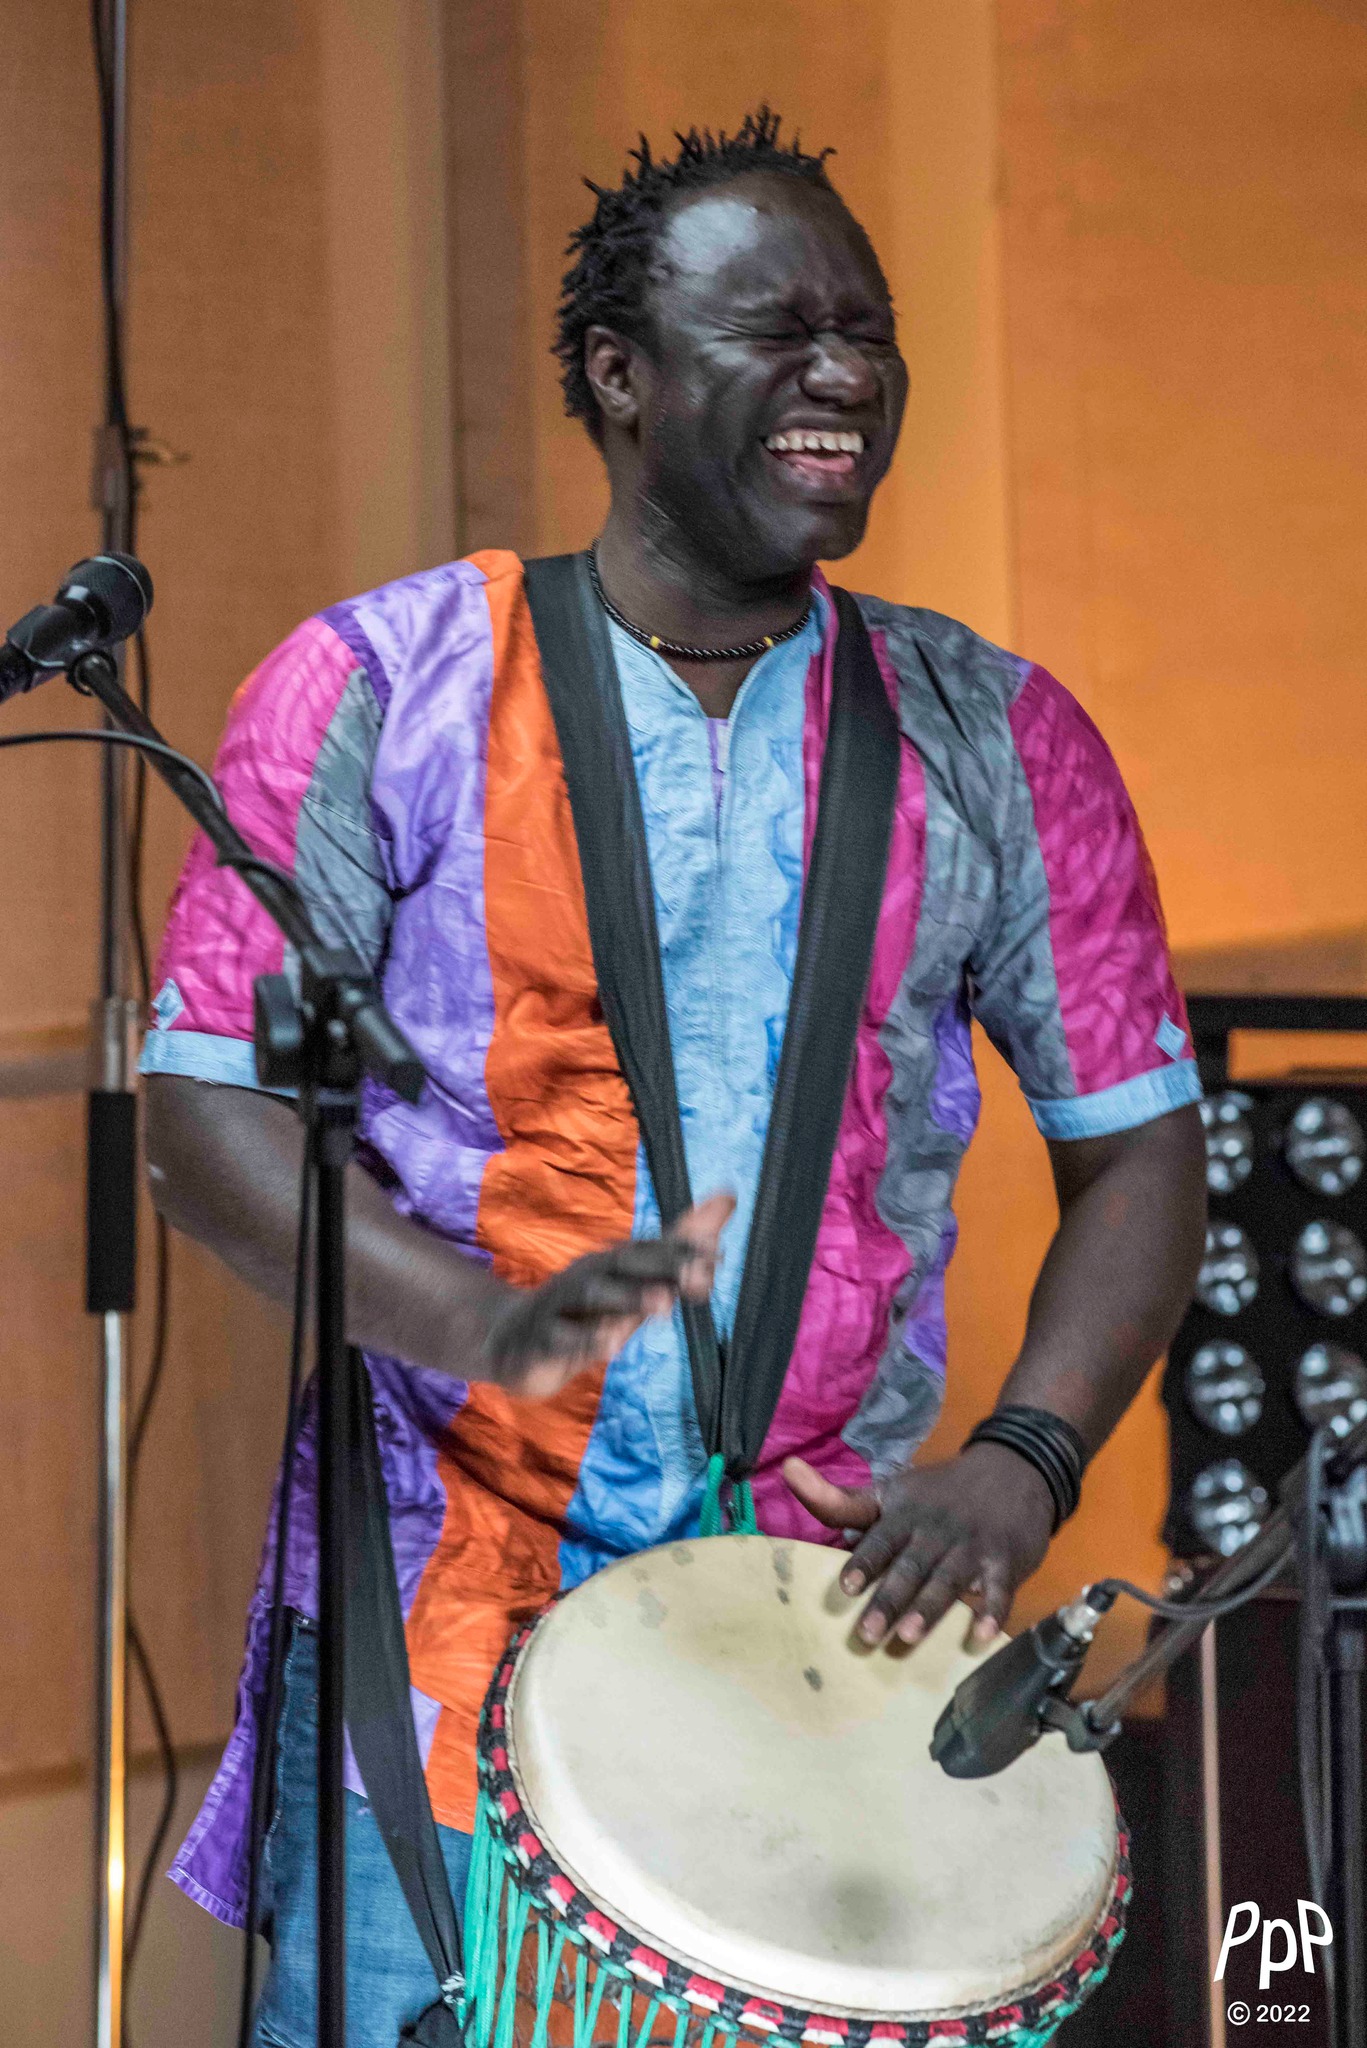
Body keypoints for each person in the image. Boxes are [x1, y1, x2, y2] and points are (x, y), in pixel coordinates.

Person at [143, 109, 1206, 2045]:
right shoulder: (380, 686)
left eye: (868, 333)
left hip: (829, 1650)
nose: (847, 376)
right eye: (780, 331)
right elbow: (206, 1116)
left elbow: (1140, 1150)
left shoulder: (996, 731)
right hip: (444, 1626)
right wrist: (474, 1317)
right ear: (619, 377)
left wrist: (1027, 1456)